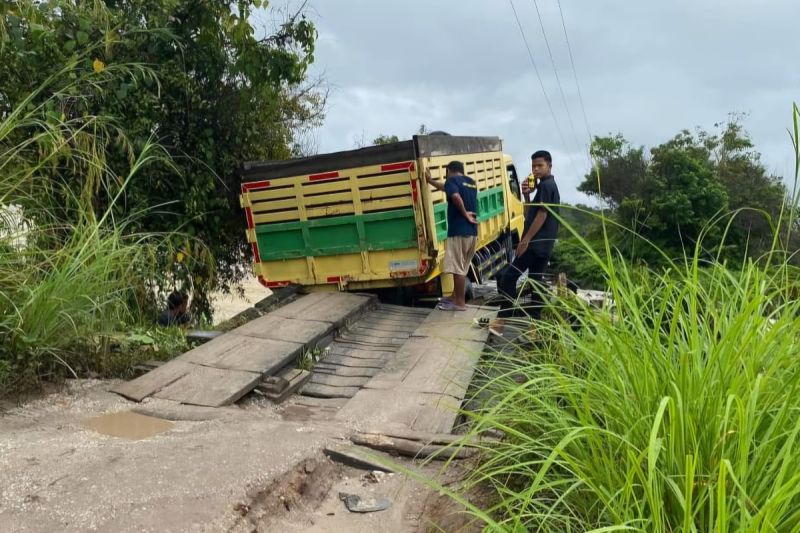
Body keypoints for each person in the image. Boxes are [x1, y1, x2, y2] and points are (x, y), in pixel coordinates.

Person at [491, 150, 560, 334]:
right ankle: (535, 326)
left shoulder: (546, 186)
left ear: (549, 166)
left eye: (540, 166)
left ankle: (502, 320)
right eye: (533, 166)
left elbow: (542, 215)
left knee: (508, 277)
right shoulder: (547, 186)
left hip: (535, 244)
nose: (536, 169)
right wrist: (527, 195)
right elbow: (530, 213)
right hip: (545, 246)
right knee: (535, 281)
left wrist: (526, 240)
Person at [425, 161, 479, 311]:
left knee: (458, 268)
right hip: (472, 232)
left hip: (459, 231)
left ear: (448, 171)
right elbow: (447, 188)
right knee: (462, 266)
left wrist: (464, 214)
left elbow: (454, 196)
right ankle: (455, 296)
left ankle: (459, 303)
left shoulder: (451, 181)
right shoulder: (471, 183)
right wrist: (430, 181)